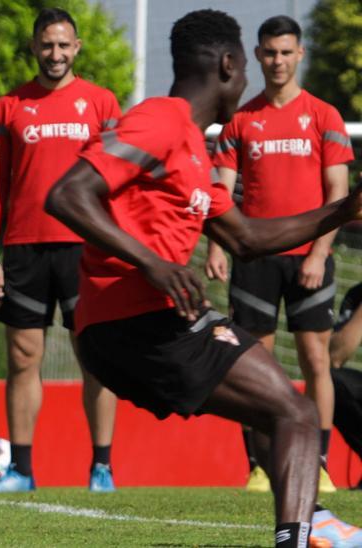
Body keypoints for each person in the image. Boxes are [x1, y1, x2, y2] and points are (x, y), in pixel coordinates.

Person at [45, 9, 362, 547]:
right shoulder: (162, 120)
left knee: (282, 407)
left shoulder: (194, 148)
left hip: (135, 331)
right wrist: (152, 262)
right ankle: (303, 533)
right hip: (137, 323)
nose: (247, 81)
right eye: (244, 69)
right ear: (229, 63)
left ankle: (316, 522)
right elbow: (67, 194)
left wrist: (342, 210)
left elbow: (246, 239)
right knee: (296, 412)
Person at [205, 15, 353, 494]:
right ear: (258, 54)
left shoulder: (325, 116)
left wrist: (318, 252)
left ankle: (322, 463)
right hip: (254, 258)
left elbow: (338, 192)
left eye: (286, 52)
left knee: (317, 361)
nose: (278, 61)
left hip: (310, 257)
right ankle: (262, 466)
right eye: (270, 52)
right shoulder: (241, 121)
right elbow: (221, 193)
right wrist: (217, 244)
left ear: (300, 54)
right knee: (255, 366)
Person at [0, 8, 121, 493]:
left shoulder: (101, 104)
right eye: (47, 45)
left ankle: (102, 468)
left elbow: (118, 178)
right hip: (24, 247)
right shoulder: (10, 105)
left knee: (96, 356)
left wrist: (118, 241)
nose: (55, 54)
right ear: (35, 47)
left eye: (64, 45)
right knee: (22, 356)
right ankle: (20, 471)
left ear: (76, 48)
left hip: (86, 247)